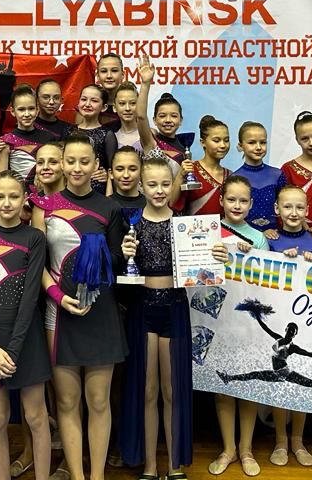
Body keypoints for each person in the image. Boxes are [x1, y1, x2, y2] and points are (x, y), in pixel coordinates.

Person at [32, 133, 128, 480]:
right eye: (70, 161)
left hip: (100, 312)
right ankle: (76, 474)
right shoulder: (44, 206)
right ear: (61, 164)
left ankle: (97, 475)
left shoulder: (110, 208)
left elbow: (116, 263)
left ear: (96, 165)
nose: (76, 168)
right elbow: (37, 265)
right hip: (60, 314)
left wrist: (118, 254)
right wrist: (59, 297)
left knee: (99, 401)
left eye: (84, 161)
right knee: (67, 402)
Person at [119, 158, 204, 479]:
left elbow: (202, 269)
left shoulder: (185, 225)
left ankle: (174, 465)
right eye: (152, 184)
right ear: (141, 186)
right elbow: (121, 273)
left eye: (165, 184)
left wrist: (215, 256)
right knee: (148, 391)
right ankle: (150, 466)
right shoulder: (132, 225)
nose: (158, 190)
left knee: (172, 391)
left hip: (175, 307)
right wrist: (125, 255)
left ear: (174, 186)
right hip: (142, 309)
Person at [0, 173, 52, 480]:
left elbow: (31, 296)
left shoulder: (35, 238)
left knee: (36, 416)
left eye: (14, 196)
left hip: (27, 337)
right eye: (0, 197)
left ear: (24, 200)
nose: (7, 203)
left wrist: (15, 348)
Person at [209, 175, 268, 477]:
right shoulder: (207, 231)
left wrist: (251, 257)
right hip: (216, 320)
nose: (237, 205)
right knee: (222, 389)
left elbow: (268, 282)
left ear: (251, 204)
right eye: (231, 199)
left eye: (243, 201)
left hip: (248, 323)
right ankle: (228, 449)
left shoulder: (258, 238)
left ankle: (246, 449)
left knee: (247, 387)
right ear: (221, 201)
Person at [265, 185, 312, 467]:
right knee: (281, 381)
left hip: (308, 320)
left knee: (302, 381)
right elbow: (262, 272)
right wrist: (279, 259)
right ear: (277, 209)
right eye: (287, 207)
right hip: (280, 316)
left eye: (300, 207)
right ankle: (280, 440)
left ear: (308, 211)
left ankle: (298, 440)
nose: (293, 212)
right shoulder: (270, 240)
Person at [135, 55, 186, 179]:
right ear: (154, 120)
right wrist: (146, 83)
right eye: (162, 116)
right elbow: (140, 116)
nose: (168, 120)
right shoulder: (151, 141)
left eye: (173, 116)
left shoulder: (185, 148)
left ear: (180, 120)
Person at [233, 121, 285, 235]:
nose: (258, 147)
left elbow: (286, 208)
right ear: (240, 146)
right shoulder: (235, 178)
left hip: (274, 236)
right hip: (245, 238)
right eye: (252, 143)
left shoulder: (277, 175)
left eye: (263, 142)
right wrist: (257, 235)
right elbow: (231, 215)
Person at [175, 115, 230, 216]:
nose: (223, 145)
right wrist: (179, 176)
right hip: (195, 225)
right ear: (202, 142)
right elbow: (173, 204)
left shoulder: (230, 176)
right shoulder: (190, 170)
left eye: (226, 140)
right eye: (216, 141)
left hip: (224, 226)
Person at [0, 84, 54, 183]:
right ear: (12, 111)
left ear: (37, 109)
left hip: (46, 190)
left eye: (31, 108)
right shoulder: (6, 142)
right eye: (21, 109)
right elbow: (2, 179)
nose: (27, 114)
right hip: (18, 191)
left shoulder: (49, 138)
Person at [75, 85, 118, 188]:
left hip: (97, 190)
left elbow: (113, 170)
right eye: (84, 99)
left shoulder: (107, 135)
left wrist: (107, 175)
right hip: (72, 188)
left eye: (94, 101)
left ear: (104, 107)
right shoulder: (68, 131)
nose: (87, 104)